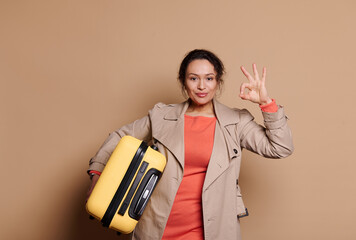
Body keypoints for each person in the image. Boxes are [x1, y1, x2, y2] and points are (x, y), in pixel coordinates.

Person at [86, 49, 294, 240]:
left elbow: (281, 147)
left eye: (209, 78)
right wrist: (97, 174)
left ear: (218, 81)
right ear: (183, 82)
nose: (201, 86)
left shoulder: (236, 122)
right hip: (157, 228)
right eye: (193, 78)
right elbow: (119, 137)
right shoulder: (161, 116)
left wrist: (266, 104)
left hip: (213, 231)